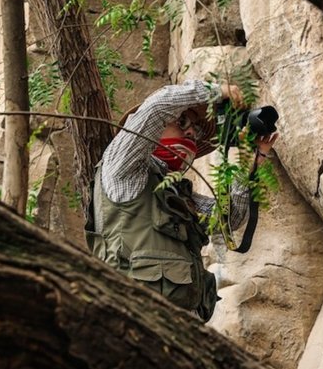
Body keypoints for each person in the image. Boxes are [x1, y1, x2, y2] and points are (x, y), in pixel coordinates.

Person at [86, 80, 278, 321]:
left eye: (196, 130)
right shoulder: (121, 169)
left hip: (184, 325)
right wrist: (216, 92)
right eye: (183, 122)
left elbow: (228, 221)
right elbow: (156, 107)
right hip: (135, 319)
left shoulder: (175, 193)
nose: (190, 133)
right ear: (147, 130)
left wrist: (248, 165)